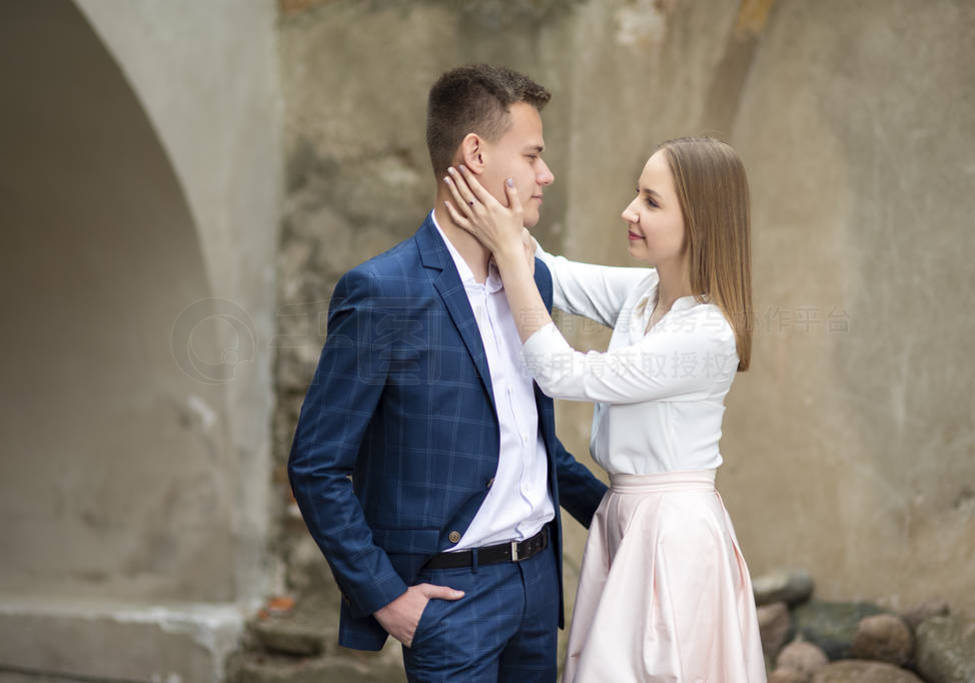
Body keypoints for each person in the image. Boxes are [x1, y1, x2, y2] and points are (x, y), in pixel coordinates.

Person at [286, 64, 607, 682]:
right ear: (476, 153)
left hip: (538, 587)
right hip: (451, 605)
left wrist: (627, 516)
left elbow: (530, 441)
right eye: (533, 154)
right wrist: (388, 599)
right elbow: (316, 464)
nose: (546, 175)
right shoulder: (383, 292)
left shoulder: (529, 280)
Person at [443, 136, 768, 681]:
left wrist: (511, 257)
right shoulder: (647, 294)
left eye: (651, 202)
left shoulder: (707, 332)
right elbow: (556, 275)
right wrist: (503, 209)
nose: (629, 212)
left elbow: (565, 373)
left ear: (702, 223)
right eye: (636, 195)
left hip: (673, 533)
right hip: (628, 517)